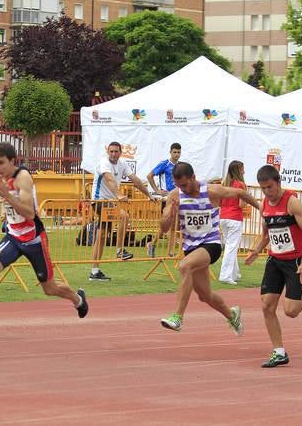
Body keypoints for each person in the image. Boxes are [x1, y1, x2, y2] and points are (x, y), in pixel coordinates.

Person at [0, 142, 88, 340]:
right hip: (13, 237)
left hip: (33, 238)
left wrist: (6, 195)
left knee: (49, 288)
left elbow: (29, 213)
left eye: (1, 163)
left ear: (13, 161)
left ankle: (77, 299)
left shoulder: (23, 178)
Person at [158, 162, 260, 335]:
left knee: (184, 266)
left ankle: (178, 317)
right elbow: (164, 228)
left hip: (211, 244)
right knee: (205, 296)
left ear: (193, 177)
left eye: (185, 185)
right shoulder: (175, 195)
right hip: (191, 248)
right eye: (178, 185)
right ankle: (232, 315)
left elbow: (241, 193)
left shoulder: (211, 191)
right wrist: (169, 215)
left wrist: (263, 209)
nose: (183, 189)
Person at [244, 164, 302, 368]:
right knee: (266, 306)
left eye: (270, 187)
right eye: (263, 188)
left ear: (278, 183)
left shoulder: (292, 202)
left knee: (291, 311)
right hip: (274, 260)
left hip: (294, 261)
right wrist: (256, 250)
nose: (267, 192)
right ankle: (279, 352)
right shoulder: (264, 205)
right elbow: (267, 234)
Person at [89, 141, 154, 281]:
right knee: (124, 216)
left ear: (120, 152)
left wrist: (149, 194)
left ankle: (94, 271)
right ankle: (119, 251)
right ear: (107, 152)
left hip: (110, 202)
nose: (113, 154)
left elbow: (135, 180)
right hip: (99, 201)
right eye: (111, 151)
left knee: (101, 237)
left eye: (116, 151)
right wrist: (119, 195)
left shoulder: (122, 163)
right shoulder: (104, 163)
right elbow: (110, 180)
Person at [146, 143, 181, 258]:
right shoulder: (164, 164)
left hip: (177, 198)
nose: (176, 154)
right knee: (168, 225)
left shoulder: (181, 166)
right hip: (166, 199)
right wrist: (157, 190)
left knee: (172, 225)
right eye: (174, 152)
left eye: (178, 152)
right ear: (170, 152)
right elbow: (149, 176)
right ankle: (157, 246)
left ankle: (160, 247)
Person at [219, 160, 247, 285]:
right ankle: (225, 275)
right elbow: (241, 204)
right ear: (239, 170)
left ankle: (234, 273)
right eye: (243, 169)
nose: (244, 171)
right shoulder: (241, 185)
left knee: (230, 245)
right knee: (231, 247)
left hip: (223, 217)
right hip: (235, 217)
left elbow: (219, 202)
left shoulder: (224, 184)